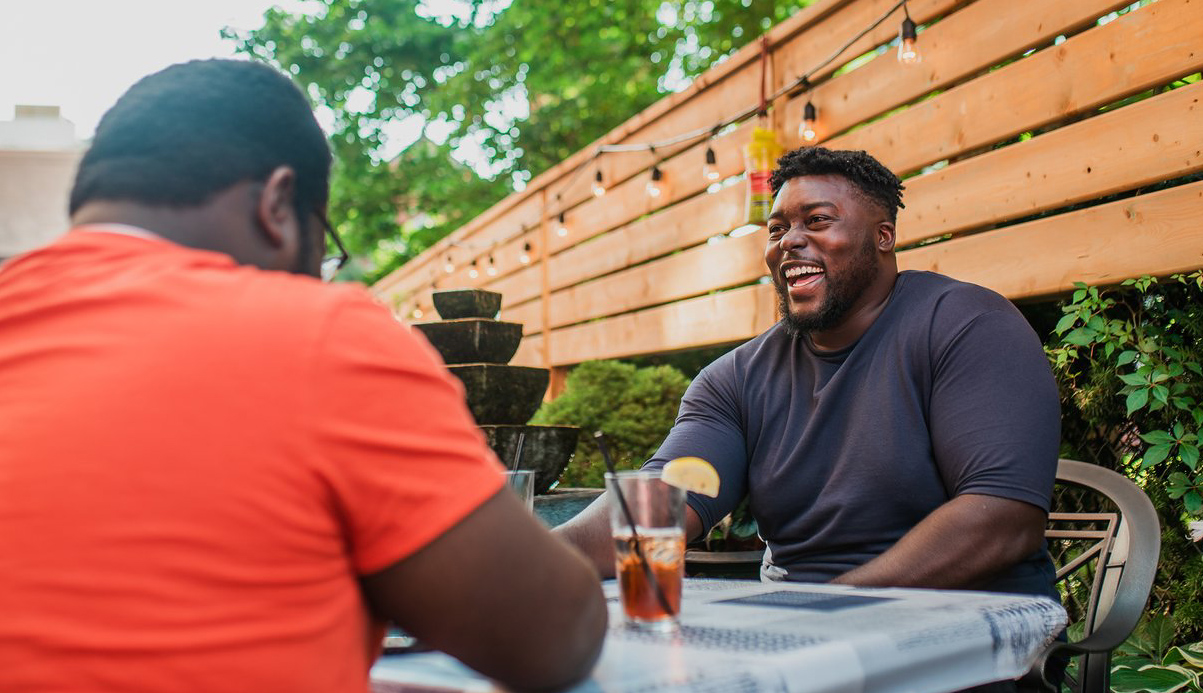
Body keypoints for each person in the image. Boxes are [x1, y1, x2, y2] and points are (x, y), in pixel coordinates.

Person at [0, 59, 606, 693]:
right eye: (322, 254)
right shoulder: (319, 334)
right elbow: (553, 638)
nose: (319, 276)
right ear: (278, 205)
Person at [558, 146, 1060, 601]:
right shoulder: (734, 380)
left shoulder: (966, 324)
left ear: (883, 236)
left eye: (817, 221)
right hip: (802, 639)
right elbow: (659, 506)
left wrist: (820, 610)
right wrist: (517, 558)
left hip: (966, 635)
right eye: (776, 230)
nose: (789, 242)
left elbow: (1004, 521)